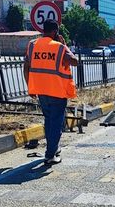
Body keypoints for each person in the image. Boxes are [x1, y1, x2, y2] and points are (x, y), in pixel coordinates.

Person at [23, 19, 78, 165]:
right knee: (56, 123)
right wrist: (65, 45)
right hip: (57, 91)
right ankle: (50, 154)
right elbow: (74, 61)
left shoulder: (32, 45)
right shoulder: (59, 47)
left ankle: (53, 148)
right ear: (55, 31)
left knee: (49, 121)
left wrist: (30, 86)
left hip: (41, 91)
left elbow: (26, 67)